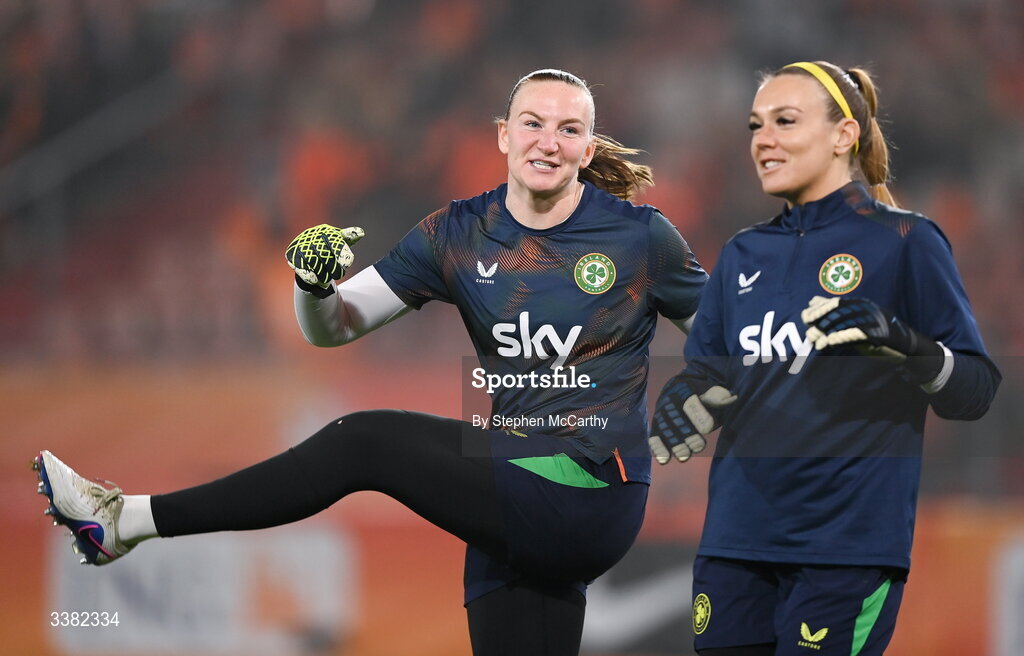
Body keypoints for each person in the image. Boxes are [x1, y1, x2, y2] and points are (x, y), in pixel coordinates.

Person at [34, 68, 708, 655]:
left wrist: (706, 398)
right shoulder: (456, 233)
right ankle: (118, 526)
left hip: (590, 494)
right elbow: (334, 329)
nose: (548, 141)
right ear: (504, 134)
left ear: (587, 149)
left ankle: (125, 522)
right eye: (533, 123)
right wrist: (313, 287)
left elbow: (729, 340)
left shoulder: (640, 237)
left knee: (364, 443)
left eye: (567, 130)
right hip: (511, 498)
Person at [647, 61, 1000, 656]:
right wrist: (681, 403)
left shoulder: (907, 242)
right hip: (736, 543)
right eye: (756, 125)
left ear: (844, 136)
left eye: (785, 121)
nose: (764, 139)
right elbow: (707, 375)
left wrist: (907, 346)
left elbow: (977, 390)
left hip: (847, 551)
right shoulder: (740, 253)